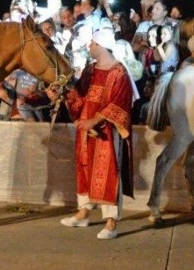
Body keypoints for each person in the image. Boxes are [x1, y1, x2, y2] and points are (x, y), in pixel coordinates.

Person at [53, 29, 134, 240]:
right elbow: (80, 97)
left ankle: (111, 222)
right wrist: (64, 94)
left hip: (106, 132)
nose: (89, 47)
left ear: (99, 45)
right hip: (85, 132)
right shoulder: (90, 70)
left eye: (91, 43)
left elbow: (118, 104)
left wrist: (94, 121)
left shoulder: (119, 73)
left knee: (109, 172)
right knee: (84, 168)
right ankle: (84, 212)